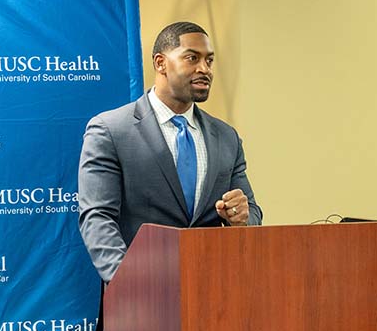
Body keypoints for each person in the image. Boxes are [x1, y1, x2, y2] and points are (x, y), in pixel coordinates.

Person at [78, 21, 262, 283]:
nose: (204, 69)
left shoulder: (226, 137)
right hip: (140, 301)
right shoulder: (110, 130)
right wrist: (128, 282)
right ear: (160, 63)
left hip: (216, 296)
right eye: (192, 58)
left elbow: (252, 213)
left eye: (209, 61)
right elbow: (98, 218)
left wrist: (241, 218)